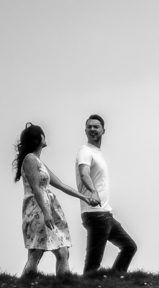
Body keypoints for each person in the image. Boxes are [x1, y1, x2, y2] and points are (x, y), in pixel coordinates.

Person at [13, 123, 96, 279]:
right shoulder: (30, 159)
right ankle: (36, 284)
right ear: (39, 138)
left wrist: (84, 197)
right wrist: (46, 213)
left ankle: (45, 284)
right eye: (43, 134)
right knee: (40, 251)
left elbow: (61, 185)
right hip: (38, 209)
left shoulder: (38, 162)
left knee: (53, 251)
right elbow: (36, 188)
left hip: (45, 208)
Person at [75, 113, 138, 276]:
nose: (92, 129)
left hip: (105, 214)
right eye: (89, 126)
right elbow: (84, 173)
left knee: (129, 247)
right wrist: (93, 192)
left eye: (96, 126)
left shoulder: (97, 152)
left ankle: (114, 279)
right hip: (95, 214)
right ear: (85, 130)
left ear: (103, 130)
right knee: (93, 263)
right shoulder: (85, 151)